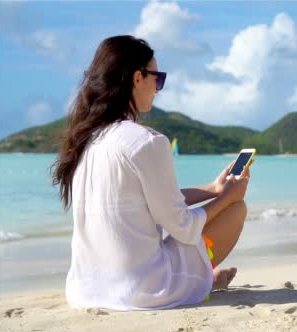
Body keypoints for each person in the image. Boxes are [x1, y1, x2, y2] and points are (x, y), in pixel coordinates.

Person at [51, 35, 250, 310]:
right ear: (137, 78)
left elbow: (141, 201)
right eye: (158, 78)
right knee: (235, 210)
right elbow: (182, 225)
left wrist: (213, 189)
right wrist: (228, 197)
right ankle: (202, 281)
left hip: (84, 292)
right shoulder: (148, 142)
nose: (158, 88)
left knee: (217, 209)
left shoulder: (84, 139)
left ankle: (204, 278)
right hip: (142, 292)